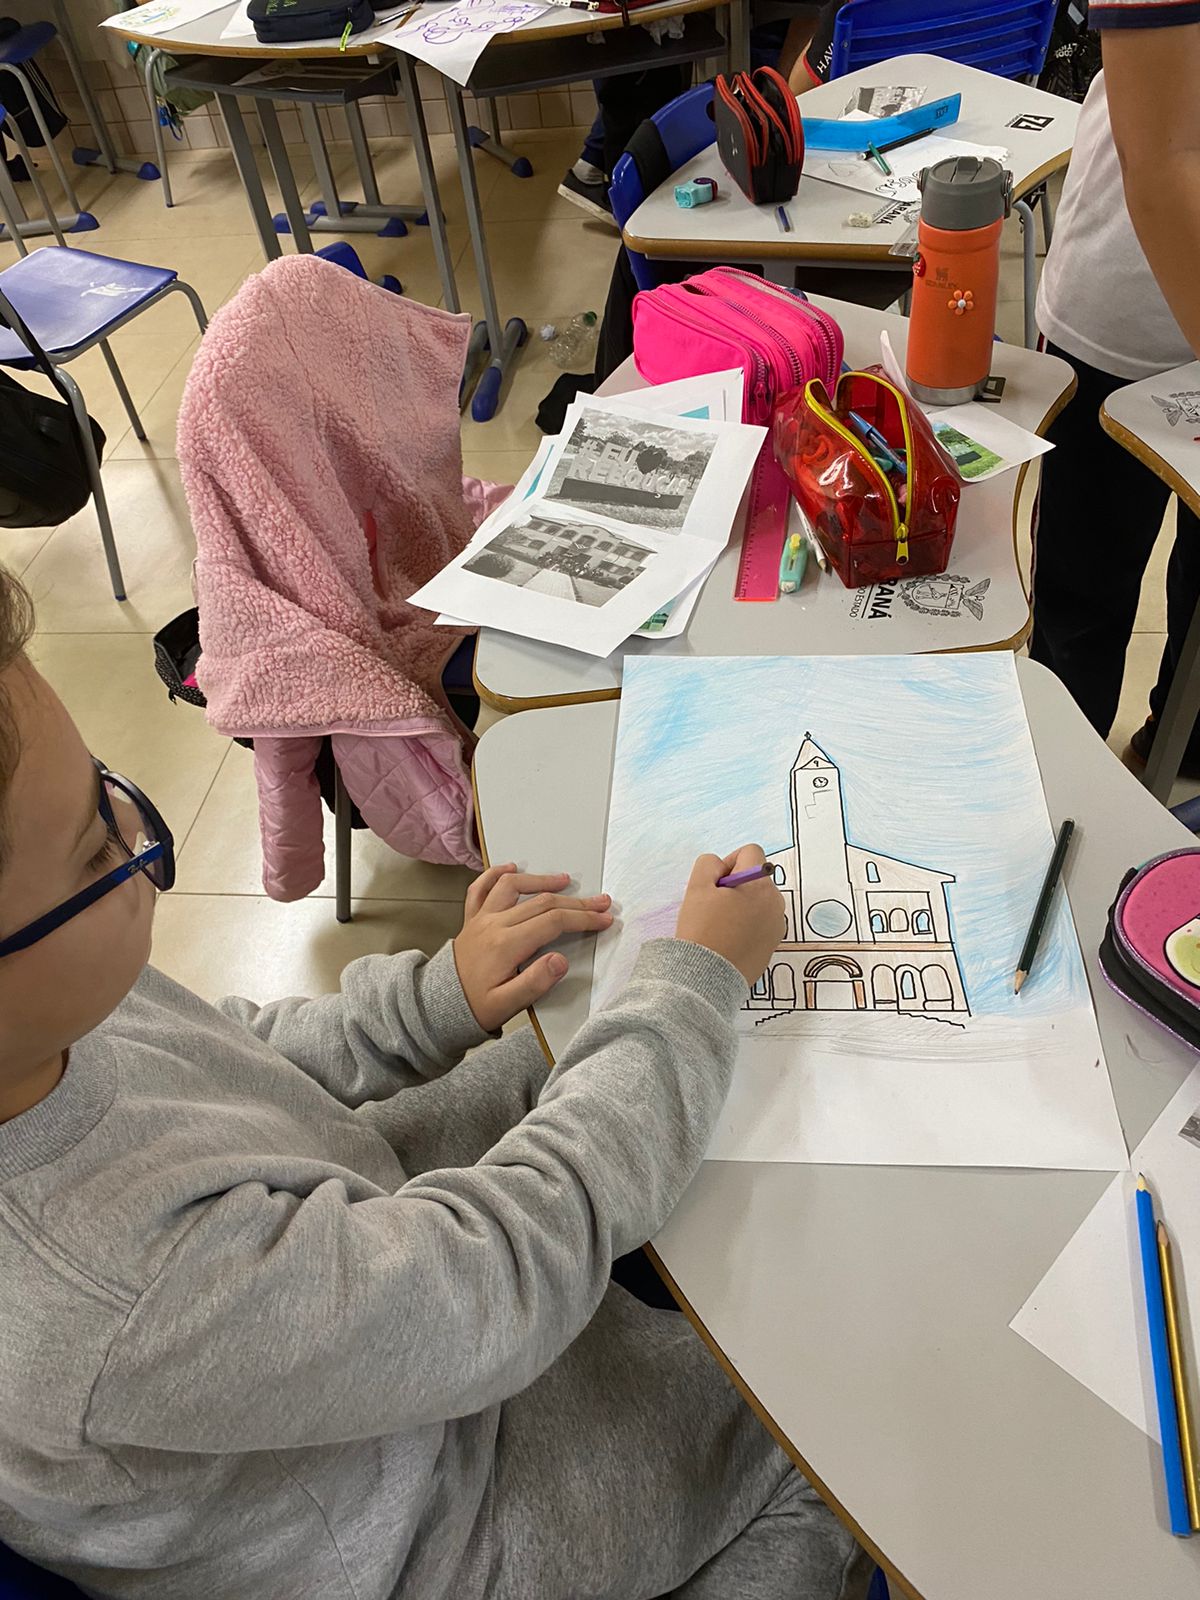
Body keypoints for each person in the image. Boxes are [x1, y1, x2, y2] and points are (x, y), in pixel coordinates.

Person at [0, 563, 869, 1600]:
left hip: (369, 1286)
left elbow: (235, 1051)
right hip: (446, 1527)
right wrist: (696, 981)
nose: (136, 840)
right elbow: (494, 1277)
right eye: (99, 845)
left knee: (555, 1051)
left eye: (111, 787)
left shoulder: (43, 1019)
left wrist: (437, 997)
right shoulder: (106, 1290)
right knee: (829, 1437)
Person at [1031, 4, 1200, 772]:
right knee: (1081, 616)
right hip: (1130, 314)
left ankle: (1164, 757)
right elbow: (1161, 159)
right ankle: (1071, 793)